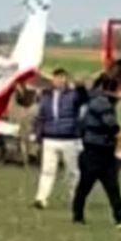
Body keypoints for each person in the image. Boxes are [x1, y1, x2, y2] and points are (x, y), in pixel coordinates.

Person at [72, 75, 121, 228]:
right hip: (94, 153)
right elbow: (112, 127)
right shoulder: (102, 103)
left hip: (105, 152)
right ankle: (78, 215)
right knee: (85, 185)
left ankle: (120, 217)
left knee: (112, 187)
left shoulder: (95, 99)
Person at [33, 68, 83, 209]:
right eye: (57, 78)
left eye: (62, 78)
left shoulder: (73, 95)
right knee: (47, 170)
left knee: (72, 171)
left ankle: (76, 198)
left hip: (69, 138)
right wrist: (38, 135)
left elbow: (84, 99)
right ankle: (41, 199)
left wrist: (80, 86)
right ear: (53, 80)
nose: (59, 81)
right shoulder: (46, 96)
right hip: (50, 137)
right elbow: (41, 117)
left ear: (66, 79)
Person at [10, 81, 39, 167]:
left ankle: (25, 159)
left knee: (23, 138)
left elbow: (22, 97)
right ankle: (29, 156)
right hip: (28, 111)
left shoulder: (22, 85)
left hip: (26, 112)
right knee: (25, 137)